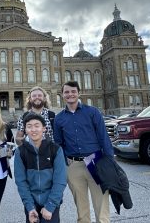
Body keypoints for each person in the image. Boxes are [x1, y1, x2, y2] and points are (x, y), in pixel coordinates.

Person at [54, 81, 114, 223]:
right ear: (62, 95)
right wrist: (64, 163)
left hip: (95, 161)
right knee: (81, 208)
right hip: (73, 165)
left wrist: (110, 160)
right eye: (67, 92)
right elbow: (58, 143)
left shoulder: (92, 112)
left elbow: (103, 136)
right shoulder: (59, 118)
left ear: (78, 93)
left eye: (73, 91)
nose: (70, 94)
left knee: (101, 205)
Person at [14, 113, 67, 223]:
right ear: (25, 130)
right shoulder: (21, 152)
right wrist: (29, 207)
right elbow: (21, 182)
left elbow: (60, 181)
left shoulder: (55, 150)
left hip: (51, 202)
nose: (33, 129)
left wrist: (50, 206)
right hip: (32, 203)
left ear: (44, 128)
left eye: (37, 125)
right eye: (29, 126)